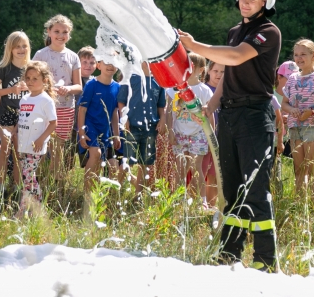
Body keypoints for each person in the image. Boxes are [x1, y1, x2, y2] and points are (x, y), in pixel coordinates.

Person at [179, 0, 282, 272]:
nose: (245, 1)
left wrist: (196, 46)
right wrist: (211, 106)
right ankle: (229, 254)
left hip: (255, 116)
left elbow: (236, 56)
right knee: (234, 189)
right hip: (230, 115)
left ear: (266, 1)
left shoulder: (269, 32)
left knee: (255, 189)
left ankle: (265, 260)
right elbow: (228, 72)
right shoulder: (235, 31)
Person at [279, 39, 314, 206]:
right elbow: (284, 104)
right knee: (299, 169)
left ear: (313, 55)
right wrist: (292, 111)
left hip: (313, 127)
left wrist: (310, 112)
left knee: (313, 168)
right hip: (295, 128)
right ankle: (299, 205)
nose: (299, 58)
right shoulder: (292, 79)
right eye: (296, 55)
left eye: (303, 54)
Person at [32, 15, 82, 173]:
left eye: (65, 32)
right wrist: (46, 89)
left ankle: (55, 181)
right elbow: (31, 81)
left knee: (58, 146)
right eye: (57, 31)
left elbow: (78, 86)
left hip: (66, 106)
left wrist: (68, 89)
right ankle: (38, 180)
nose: (61, 35)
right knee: (41, 144)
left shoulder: (73, 57)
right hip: (43, 106)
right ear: (49, 32)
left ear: (69, 34)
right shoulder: (40, 55)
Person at [165, 53, 214, 201]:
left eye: (192, 67)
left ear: (201, 70)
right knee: (180, 168)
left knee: (195, 166)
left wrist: (212, 136)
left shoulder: (204, 90)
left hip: (198, 134)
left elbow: (210, 114)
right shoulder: (173, 90)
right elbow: (168, 112)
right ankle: (179, 200)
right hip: (179, 133)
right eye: (185, 66)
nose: (188, 69)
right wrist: (170, 131)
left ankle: (201, 201)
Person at [77, 58, 121, 212]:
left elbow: (115, 113)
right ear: (99, 65)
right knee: (95, 154)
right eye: (106, 62)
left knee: (111, 167)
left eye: (114, 62)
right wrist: (81, 133)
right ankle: (87, 196)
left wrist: (116, 134)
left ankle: (104, 200)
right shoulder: (91, 85)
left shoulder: (117, 87)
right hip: (90, 127)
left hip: (106, 131)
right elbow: (82, 110)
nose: (110, 65)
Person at [16, 61, 58, 218]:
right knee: (28, 178)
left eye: (35, 78)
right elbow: (23, 120)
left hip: (36, 147)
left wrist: (41, 139)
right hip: (23, 145)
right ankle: (38, 210)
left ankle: (22, 211)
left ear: (45, 81)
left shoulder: (45, 100)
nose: (30, 82)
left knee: (28, 178)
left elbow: (53, 123)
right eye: (28, 78)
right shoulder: (24, 99)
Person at [0, 31, 30, 189]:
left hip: (25, 116)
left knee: (20, 153)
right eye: (17, 46)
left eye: (24, 46)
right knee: (5, 151)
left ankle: (17, 187)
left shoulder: (31, 69)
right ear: (10, 49)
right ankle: (0, 186)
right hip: (6, 113)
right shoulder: (4, 69)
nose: (21, 49)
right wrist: (11, 89)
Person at [117, 61, 166, 191]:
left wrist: (163, 119)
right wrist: (124, 117)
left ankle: (138, 196)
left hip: (151, 128)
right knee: (127, 162)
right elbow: (121, 101)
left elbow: (161, 105)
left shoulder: (159, 81)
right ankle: (114, 191)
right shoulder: (130, 78)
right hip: (132, 127)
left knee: (146, 164)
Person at [202, 60, 226, 207]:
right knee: (202, 171)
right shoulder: (203, 89)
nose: (218, 75)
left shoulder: (228, 92)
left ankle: (211, 206)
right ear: (208, 71)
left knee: (215, 174)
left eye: (222, 72)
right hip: (203, 137)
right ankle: (200, 204)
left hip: (222, 137)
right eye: (216, 71)